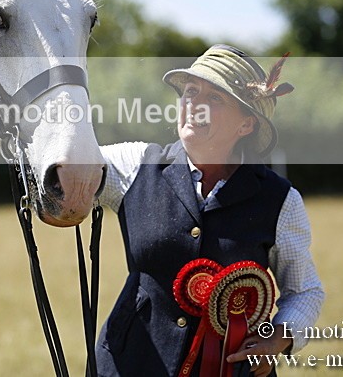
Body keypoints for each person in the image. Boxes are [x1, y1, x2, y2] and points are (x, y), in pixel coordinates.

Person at [95, 44, 324, 377]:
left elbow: (304, 291)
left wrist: (277, 339)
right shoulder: (135, 165)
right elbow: (67, 164)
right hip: (127, 365)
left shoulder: (280, 199)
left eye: (215, 97)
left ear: (246, 125)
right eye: (190, 91)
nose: (194, 104)